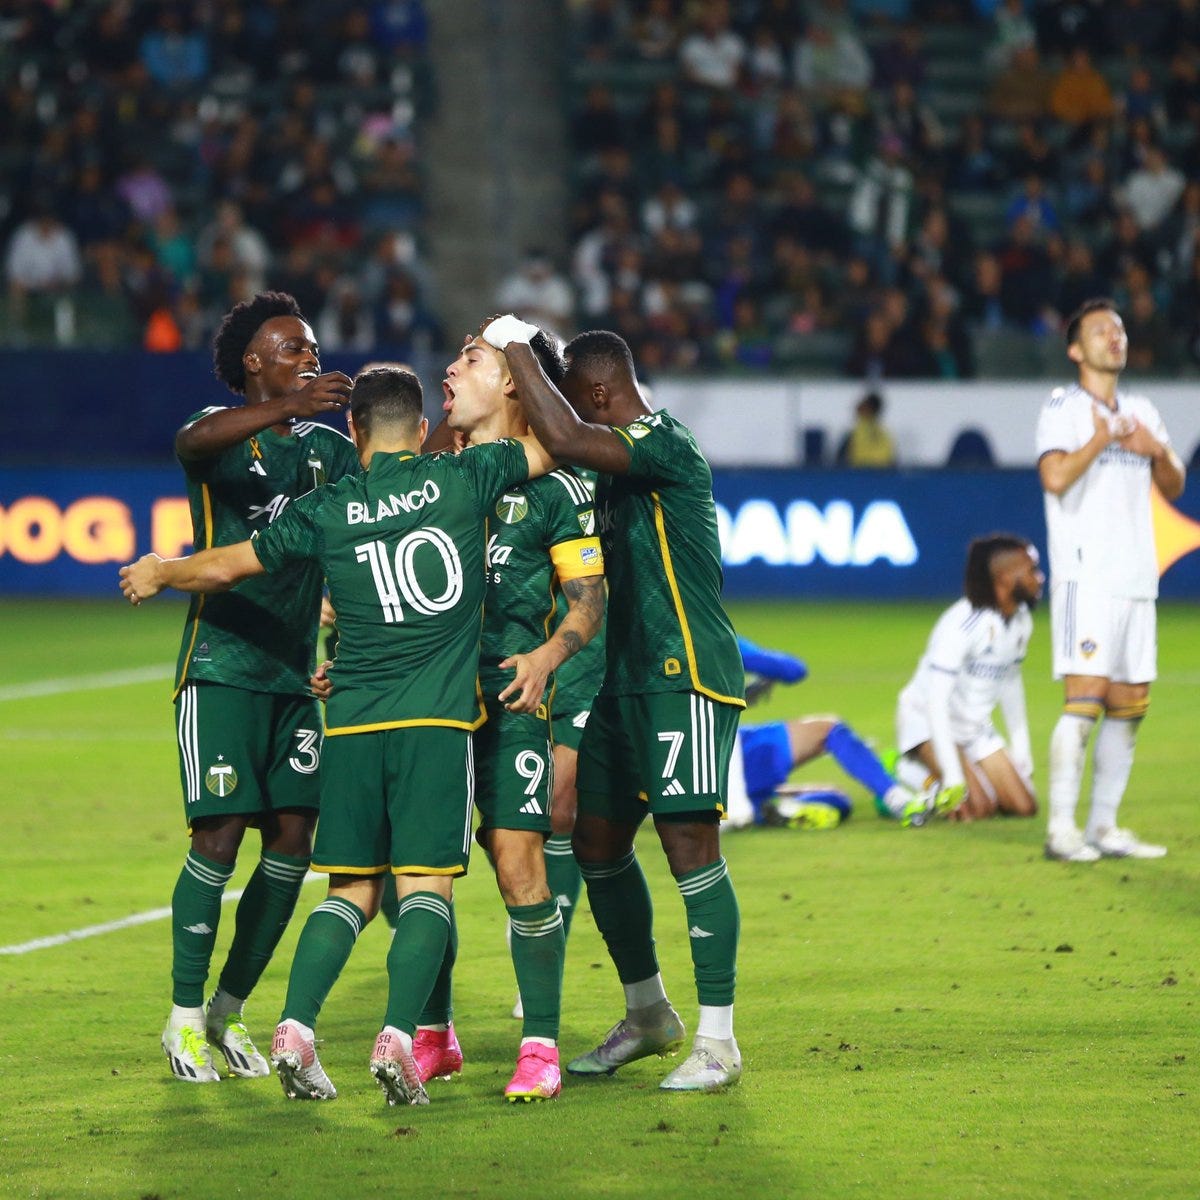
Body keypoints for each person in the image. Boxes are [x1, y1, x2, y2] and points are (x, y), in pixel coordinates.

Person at [121, 365, 556, 1106]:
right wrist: (516, 363)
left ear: (353, 431)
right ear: (421, 431)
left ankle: (294, 1029)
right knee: (424, 889)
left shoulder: (327, 508)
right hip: (434, 724)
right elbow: (554, 444)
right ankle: (395, 1040)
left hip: (349, 725)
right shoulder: (468, 476)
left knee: (348, 891)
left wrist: (163, 569)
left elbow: (231, 565)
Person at [489, 316, 746, 1092]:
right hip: (624, 684)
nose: (566, 418)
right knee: (594, 840)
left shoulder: (664, 441)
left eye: (575, 403)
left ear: (600, 393)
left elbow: (565, 439)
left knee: (690, 849)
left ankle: (719, 1042)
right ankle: (647, 1013)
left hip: (684, 675)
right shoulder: (611, 461)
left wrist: (509, 346)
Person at [150, 291, 358, 1085]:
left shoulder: (326, 454)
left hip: (293, 676)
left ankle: (226, 1009)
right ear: (253, 362)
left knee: (294, 844)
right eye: (292, 346)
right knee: (220, 836)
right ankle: (180, 1020)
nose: (309, 355)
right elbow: (192, 440)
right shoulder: (218, 436)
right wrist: (295, 405)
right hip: (222, 667)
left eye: (311, 346)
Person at [406, 327, 606, 1102]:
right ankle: (435, 1037)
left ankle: (539, 1047)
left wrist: (547, 658)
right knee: (420, 874)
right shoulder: (429, 479)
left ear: (516, 385)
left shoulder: (556, 490)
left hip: (512, 704)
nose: (449, 371)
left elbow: (588, 600)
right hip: (428, 703)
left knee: (520, 863)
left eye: (471, 360)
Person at [1037, 299, 1185, 861]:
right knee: (1086, 698)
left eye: (1119, 329)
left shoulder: (1143, 407)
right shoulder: (1063, 408)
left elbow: (1171, 485)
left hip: (1136, 576)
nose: (1114, 336)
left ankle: (1104, 826)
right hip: (1086, 575)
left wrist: (1155, 450)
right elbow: (1053, 476)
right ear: (1077, 349)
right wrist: (1100, 440)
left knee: (1131, 701)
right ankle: (1060, 831)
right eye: (1101, 330)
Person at [894, 534, 1044, 822]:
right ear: (1004, 577)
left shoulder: (1022, 619)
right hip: (925, 722)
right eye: (1031, 571)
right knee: (977, 808)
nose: (1039, 578)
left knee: (1024, 807)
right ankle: (912, 773)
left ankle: (966, 772)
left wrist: (1021, 747)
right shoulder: (962, 624)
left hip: (972, 727)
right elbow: (936, 702)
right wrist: (952, 776)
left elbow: (1011, 681)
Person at [837, 391, 897, 467]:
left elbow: (887, 458)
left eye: (863, 406)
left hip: (865, 472)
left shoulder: (882, 433)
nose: (858, 407)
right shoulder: (854, 432)